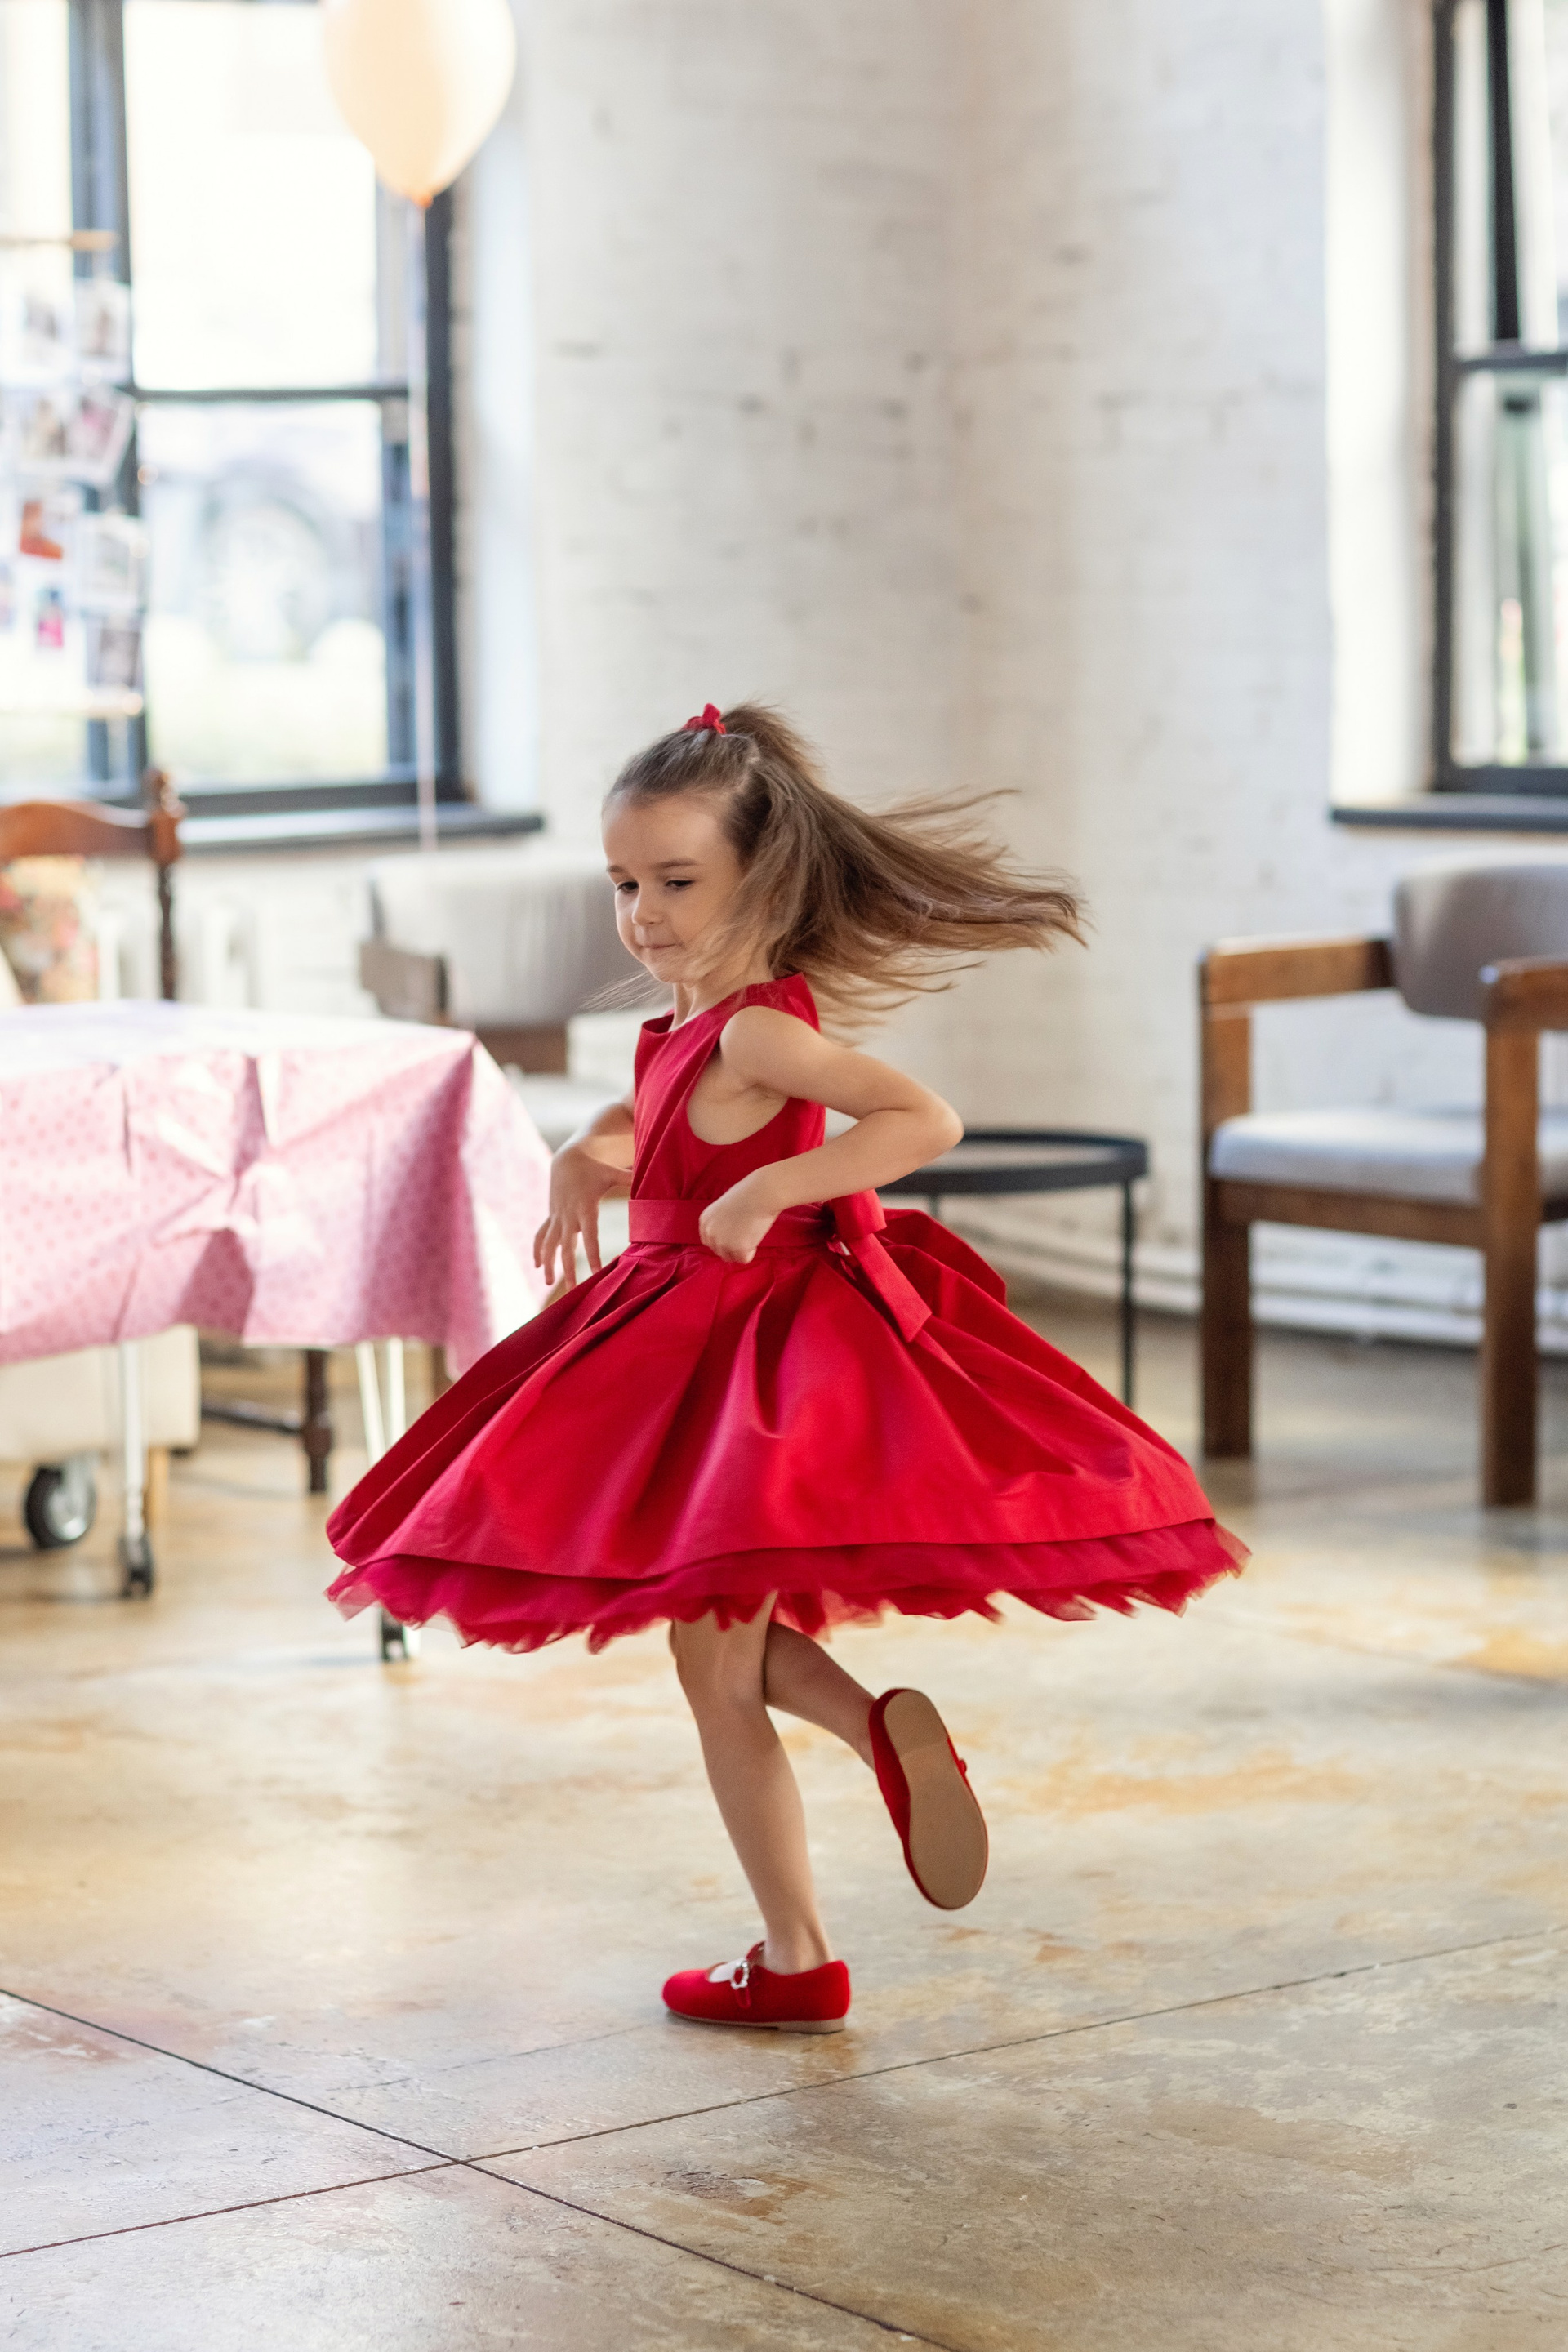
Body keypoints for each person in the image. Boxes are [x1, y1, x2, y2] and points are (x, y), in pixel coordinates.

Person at [327, 703, 1243, 2034]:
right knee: (720, 1646)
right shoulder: (685, 1024)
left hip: (738, 1356)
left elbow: (921, 1118)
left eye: (676, 883)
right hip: (684, 1330)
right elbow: (656, 1117)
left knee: (713, 1674)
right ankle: (871, 1752)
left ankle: (799, 1951)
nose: (643, 916)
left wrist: (777, 1189)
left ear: (762, 879)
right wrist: (586, 1154)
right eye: (625, 885)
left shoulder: (758, 1031)